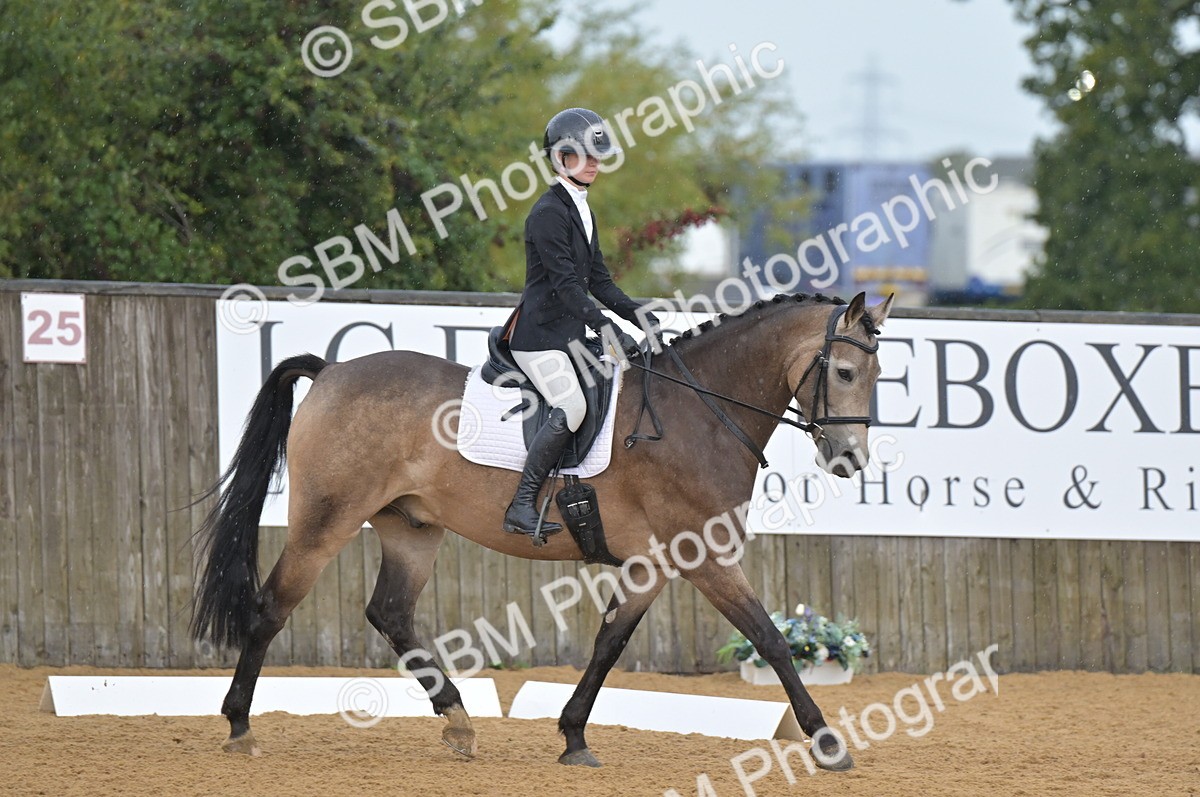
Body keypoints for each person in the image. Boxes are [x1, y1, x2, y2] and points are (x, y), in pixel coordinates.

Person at [501, 107, 660, 541]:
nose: (595, 163)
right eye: (585, 155)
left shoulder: (581, 208)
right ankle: (521, 504)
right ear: (560, 157)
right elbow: (568, 288)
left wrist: (638, 315)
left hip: (567, 336)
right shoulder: (548, 213)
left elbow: (599, 281)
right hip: (538, 339)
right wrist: (609, 330)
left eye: (597, 155)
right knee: (573, 407)